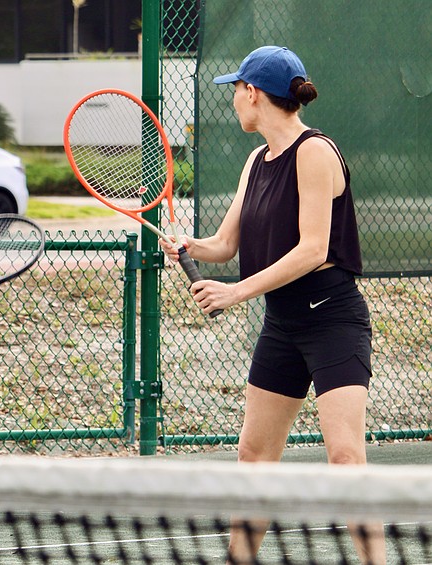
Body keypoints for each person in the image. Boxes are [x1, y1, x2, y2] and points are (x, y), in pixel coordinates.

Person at [160, 46, 386, 564]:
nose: (234, 100)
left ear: (253, 94)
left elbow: (314, 248)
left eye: (236, 89)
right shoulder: (255, 161)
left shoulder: (315, 152)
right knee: (255, 455)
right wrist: (190, 247)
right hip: (282, 325)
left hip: (332, 318)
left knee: (347, 457)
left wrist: (236, 291)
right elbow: (225, 243)